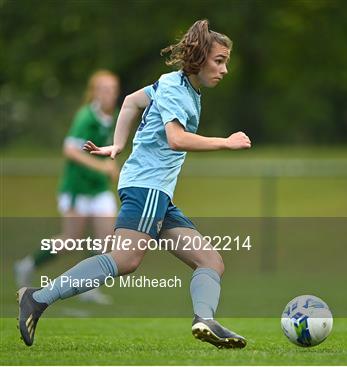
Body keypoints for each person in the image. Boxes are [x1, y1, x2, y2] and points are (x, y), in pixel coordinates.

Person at [17, 19, 251, 349]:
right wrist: (224, 143)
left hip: (158, 193)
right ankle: (37, 299)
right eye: (219, 60)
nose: (224, 69)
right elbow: (175, 138)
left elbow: (129, 101)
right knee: (125, 260)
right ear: (198, 60)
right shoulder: (175, 89)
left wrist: (117, 144)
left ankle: (205, 319)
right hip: (147, 188)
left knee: (211, 261)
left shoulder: (173, 85)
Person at [14, 70, 120, 305]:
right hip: (77, 189)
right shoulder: (86, 116)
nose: (110, 94)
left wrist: (112, 167)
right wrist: (100, 167)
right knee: (71, 240)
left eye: (113, 89)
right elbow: (70, 150)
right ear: (94, 92)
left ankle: (90, 288)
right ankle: (27, 265)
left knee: (105, 240)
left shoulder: (112, 116)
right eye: (105, 89)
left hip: (99, 189)